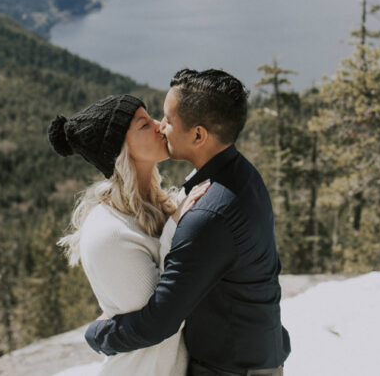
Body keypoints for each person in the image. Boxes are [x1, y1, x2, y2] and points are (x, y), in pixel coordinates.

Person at [85, 68, 290, 376]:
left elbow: (159, 322)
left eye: (168, 120)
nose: (161, 126)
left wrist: (97, 335)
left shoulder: (208, 215)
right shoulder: (242, 174)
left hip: (228, 369)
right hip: (255, 359)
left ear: (198, 136)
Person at [49, 93, 209, 376]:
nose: (160, 125)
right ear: (120, 151)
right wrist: (176, 226)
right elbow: (165, 316)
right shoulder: (109, 230)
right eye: (144, 124)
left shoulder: (160, 205)